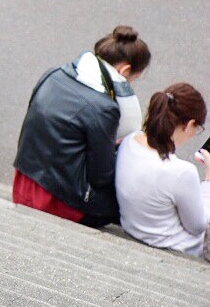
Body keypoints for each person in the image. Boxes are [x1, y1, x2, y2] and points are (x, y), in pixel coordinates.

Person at [12, 25, 153, 226]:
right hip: (55, 200)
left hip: (25, 181)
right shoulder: (104, 108)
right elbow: (101, 176)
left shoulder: (54, 74)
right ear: (125, 70)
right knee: (133, 204)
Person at [115, 83, 209, 260]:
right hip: (178, 249)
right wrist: (209, 181)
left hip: (133, 229)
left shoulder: (129, 141)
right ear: (189, 125)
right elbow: (197, 226)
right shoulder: (181, 172)